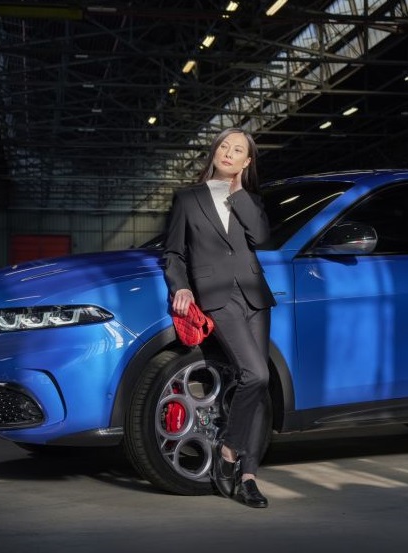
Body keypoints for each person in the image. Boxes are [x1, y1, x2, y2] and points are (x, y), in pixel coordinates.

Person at [163, 128, 276, 508]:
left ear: (246, 162)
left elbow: (261, 238)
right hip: (216, 297)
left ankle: (248, 478)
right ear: (214, 152)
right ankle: (228, 450)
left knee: (258, 388)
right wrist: (181, 287)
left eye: (237, 150)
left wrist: (238, 192)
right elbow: (174, 253)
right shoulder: (187, 198)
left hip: (255, 296)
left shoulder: (249, 199)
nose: (228, 152)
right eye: (224, 146)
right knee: (255, 374)